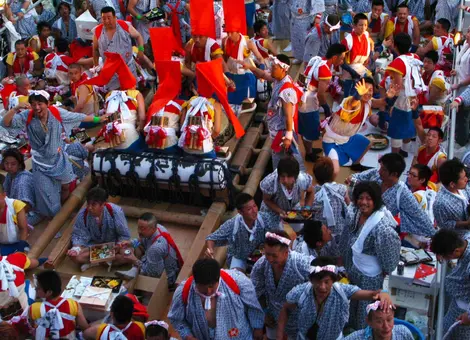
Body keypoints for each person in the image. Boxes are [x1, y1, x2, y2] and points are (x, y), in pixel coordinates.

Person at [2, 92, 110, 220]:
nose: (37, 107)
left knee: (66, 186)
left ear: (47, 104)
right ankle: (55, 214)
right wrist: (15, 109)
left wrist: (98, 119)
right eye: (33, 104)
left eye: (40, 104)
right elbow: (6, 123)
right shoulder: (27, 116)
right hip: (41, 162)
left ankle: (63, 208)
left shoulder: (58, 115)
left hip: (60, 158)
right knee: (47, 194)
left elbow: (77, 117)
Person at [277, 258, 394, 340]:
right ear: (311, 280)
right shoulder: (299, 293)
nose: (322, 287)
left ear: (333, 281)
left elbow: (372, 294)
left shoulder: (342, 291)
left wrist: (383, 293)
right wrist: (279, 335)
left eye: (326, 282)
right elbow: (286, 309)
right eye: (318, 281)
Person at [339, 181, 401, 329]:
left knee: (365, 314)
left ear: (376, 201)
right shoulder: (356, 213)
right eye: (361, 198)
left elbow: (390, 263)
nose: (363, 202)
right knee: (351, 307)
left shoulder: (383, 228)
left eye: (368, 198)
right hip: (354, 270)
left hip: (370, 278)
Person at [168, 258, 264, 340]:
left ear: (218, 278)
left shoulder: (239, 281)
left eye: (211, 286)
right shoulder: (183, 292)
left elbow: (253, 307)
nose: (209, 291)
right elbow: (176, 319)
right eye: (204, 287)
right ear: (195, 282)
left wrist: (258, 328)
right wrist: (188, 336)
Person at [240, 55, 304, 169]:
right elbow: (263, 75)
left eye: (274, 68)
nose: (271, 70)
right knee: (286, 161)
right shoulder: (279, 78)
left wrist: (288, 137)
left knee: (286, 163)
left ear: (283, 69)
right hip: (277, 130)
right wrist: (250, 67)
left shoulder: (287, 90)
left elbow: (289, 116)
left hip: (283, 133)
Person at [349, 153, 435, 237]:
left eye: (384, 170)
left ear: (394, 174)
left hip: (375, 231)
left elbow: (419, 216)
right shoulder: (375, 174)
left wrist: (434, 235)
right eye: (381, 168)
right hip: (356, 218)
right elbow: (354, 177)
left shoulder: (402, 193)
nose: (379, 171)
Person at [251, 231, 311, 339]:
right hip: (272, 316)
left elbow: (320, 279)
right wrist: (264, 312)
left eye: (274, 255)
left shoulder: (301, 264)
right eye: (267, 254)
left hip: (297, 319)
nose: (269, 259)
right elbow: (256, 291)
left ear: (286, 252)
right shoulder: (261, 265)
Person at [205, 193, 279, 271]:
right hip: (239, 256)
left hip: (261, 254)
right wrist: (210, 250)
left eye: (255, 206)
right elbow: (211, 238)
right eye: (249, 209)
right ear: (240, 212)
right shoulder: (232, 225)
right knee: (235, 278)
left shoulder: (265, 218)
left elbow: (278, 235)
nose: (254, 211)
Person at [299, 44, 346, 162]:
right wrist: (326, 108)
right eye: (341, 59)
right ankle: (309, 154)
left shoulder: (318, 59)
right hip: (308, 101)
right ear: (334, 58)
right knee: (310, 129)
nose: (342, 62)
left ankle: (309, 150)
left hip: (301, 94)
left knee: (306, 126)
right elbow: (320, 94)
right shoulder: (325, 70)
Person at [322, 78, 377, 175]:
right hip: (332, 140)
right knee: (334, 171)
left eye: (370, 89)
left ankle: (356, 164)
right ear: (358, 89)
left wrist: (391, 97)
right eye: (364, 89)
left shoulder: (368, 102)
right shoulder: (350, 101)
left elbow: (381, 102)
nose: (367, 92)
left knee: (368, 143)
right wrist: (358, 95)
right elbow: (353, 103)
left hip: (348, 137)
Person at [68, 187, 132, 271]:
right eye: (88, 204)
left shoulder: (116, 211)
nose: (89, 208)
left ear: (103, 205)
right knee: (76, 257)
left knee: (127, 254)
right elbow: (80, 236)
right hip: (93, 247)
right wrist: (76, 249)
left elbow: (124, 235)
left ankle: (94, 262)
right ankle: (103, 262)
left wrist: (118, 246)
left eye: (93, 204)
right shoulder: (82, 215)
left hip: (113, 246)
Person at [115, 212, 183, 288]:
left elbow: (153, 274)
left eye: (142, 229)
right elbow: (141, 240)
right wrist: (130, 243)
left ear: (153, 228)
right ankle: (133, 271)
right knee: (136, 246)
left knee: (129, 285)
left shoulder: (155, 248)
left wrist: (134, 260)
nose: (139, 231)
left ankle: (133, 277)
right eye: (138, 227)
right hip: (157, 264)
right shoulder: (159, 228)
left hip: (166, 279)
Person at [384, 32, 424, 155]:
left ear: (395, 46)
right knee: (409, 124)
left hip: (402, 99)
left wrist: (390, 103)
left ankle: (394, 156)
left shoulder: (398, 63)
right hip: (414, 97)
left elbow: (398, 86)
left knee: (397, 128)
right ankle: (405, 151)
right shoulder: (415, 57)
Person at [430, 229, 470, 339]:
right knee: (443, 330)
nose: (444, 259)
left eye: (445, 256)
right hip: (456, 304)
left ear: (456, 251)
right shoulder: (466, 239)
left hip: (464, 311)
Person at [93, 7, 144, 91]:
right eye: (104, 18)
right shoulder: (98, 31)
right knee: (115, 95)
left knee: (132, 94)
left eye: (109, 18)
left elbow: (138, 36)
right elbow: (95, 50)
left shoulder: (124, 25)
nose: (106, 21)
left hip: (127, 66)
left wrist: (141, 50)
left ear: (115, 17)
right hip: (110, 70)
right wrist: (97, 67)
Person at [29, 270, 88, 339]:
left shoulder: (34, 308)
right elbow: (84, 327)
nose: (35, 289)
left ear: (49, 292)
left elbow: (34, 327)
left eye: (38, 288)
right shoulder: (72, 304)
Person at [260, 157, 314, 229]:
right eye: (282, 176)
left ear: (295, 176)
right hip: (273, 212)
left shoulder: (302, 179)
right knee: (277, 233)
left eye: (289, 176)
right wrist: (280, 211)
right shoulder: (270, 182)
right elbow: (266, 200)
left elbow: (311, 192)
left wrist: (307, 209)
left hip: (292, 210)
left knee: (301, 227)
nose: (285, 180)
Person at [311, 156, 349, 252]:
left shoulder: (312, 193)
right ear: (332, 173)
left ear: (315, 176)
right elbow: (349, 208)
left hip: (321, 236)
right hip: (340, 232)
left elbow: (309, 214)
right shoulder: (342, 189)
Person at [2, 148, 42, 226]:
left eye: (13, 164)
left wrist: (7, 215)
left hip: (31, 213)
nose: (9, 166)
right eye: (6, 163)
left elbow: (25, 207)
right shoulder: (10, 174)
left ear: (19, 165)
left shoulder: (22, 182)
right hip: (16, 208)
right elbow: (5, 192)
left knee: (7, 225)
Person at [433, 159, 470, 239]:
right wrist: (466, 223)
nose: (466, 179)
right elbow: (444, 224)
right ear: (452, 184)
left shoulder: (464, 187)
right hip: (459, 237)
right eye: (463, 178)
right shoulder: (441, 203)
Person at [341, 13, 374, 97]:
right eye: (360, 25)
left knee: (371, 82)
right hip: (348, 68)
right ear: (354, 26)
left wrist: (369, 55)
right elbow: (340, 61)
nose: (363, 28)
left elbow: (371, 42)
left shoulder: (366, 34)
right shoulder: (348, 41)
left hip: (361, 67)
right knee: (349, 97)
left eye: (365, 25)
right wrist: (351, 72)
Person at [343, 301, 414, 339]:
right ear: (369, 322)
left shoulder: (403, 333)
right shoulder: (358, 337)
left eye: (389, 320)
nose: (386, 326)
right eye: (379, 321)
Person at [289, 0, 325, 64]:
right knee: (296, 40)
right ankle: (299, 57)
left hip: (305, 18)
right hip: (294, 17)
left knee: (306, 40)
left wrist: (318, 16)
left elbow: (318, 2)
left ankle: (308, 61)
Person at [0, 182, 28, 255]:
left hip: (17, 243)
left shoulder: (16, 205)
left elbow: (23, 229)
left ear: (4, 195)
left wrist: (20, 248)